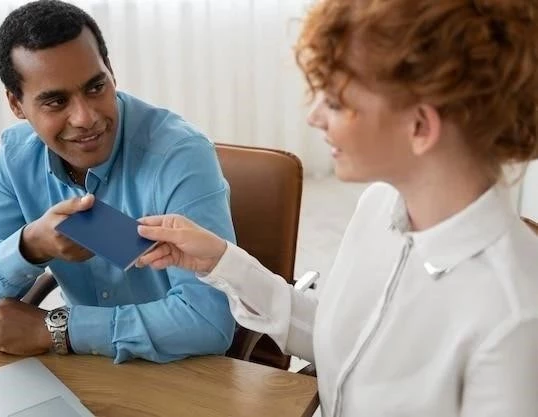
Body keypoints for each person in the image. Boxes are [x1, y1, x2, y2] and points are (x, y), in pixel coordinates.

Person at [136, 0, 538, 415]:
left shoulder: (515, 318)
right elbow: (340, 341)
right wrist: (219, 261)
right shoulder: (380, 205)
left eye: (333, 100)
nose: (313, 117)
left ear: (419, 126)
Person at [0, 0, 236, 364]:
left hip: (179, 373)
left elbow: (208, 321)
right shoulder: (17, 156)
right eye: (55, 102)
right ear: (16, 105)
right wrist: (31, 245)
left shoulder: (180, 155)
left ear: (111, 72)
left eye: (96, 87)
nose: (85, 118)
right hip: (86, 370)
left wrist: (57, 328)